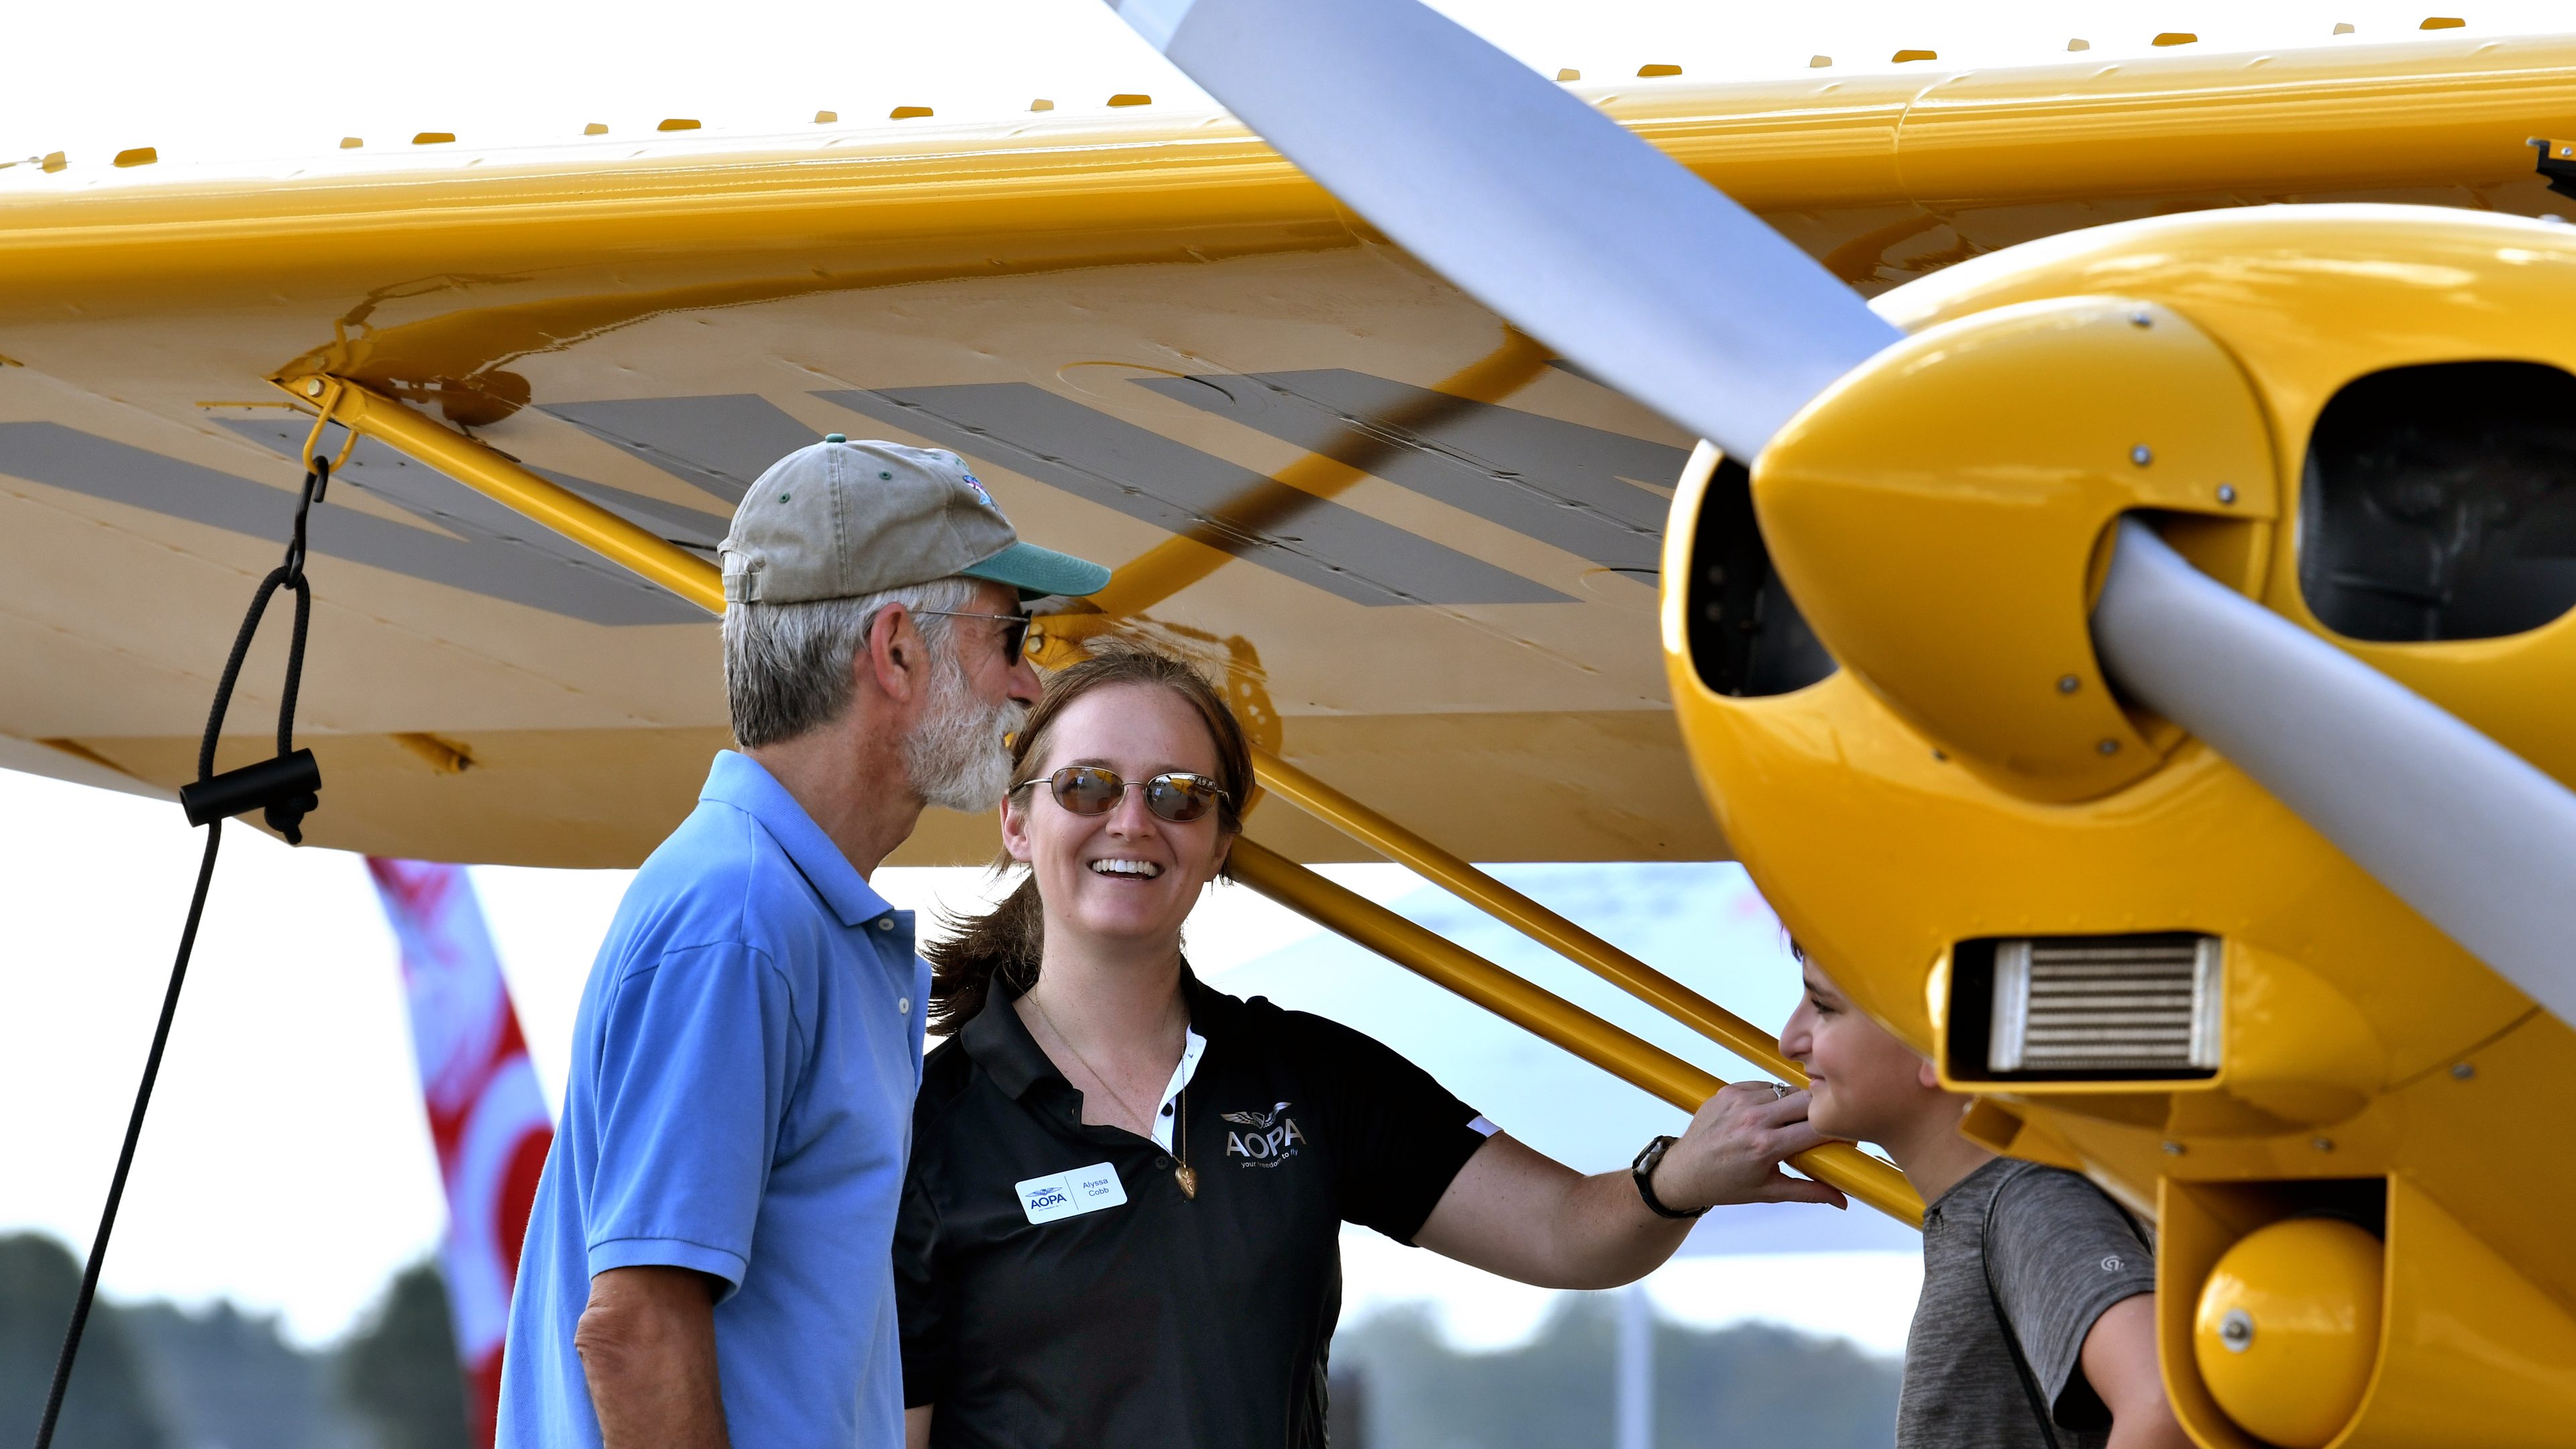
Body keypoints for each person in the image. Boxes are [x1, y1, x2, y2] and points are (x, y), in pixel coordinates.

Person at [894, 647, 1847, 1449]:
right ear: (1019, 821)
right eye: (1088, 785)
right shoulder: (920, 1132)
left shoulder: (1309, 1076)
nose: (1133, 820)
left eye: (1180, 795)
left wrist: (1673, 1179)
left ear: (1222, 839)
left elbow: (1565, 1231)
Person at [498, 437, 1112, 1449]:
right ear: (898, 649)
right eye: (1011, 635)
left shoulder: (769, 910)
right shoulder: (741, 920)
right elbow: (635, 1330)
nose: (1029, 684)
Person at [1779, 947, 2190, 1449]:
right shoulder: (2003, 1205)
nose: (1789, 1041)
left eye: (1824, 1008)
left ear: (1936, 1041)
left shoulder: (2032, 1203)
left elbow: (2163, 1402)